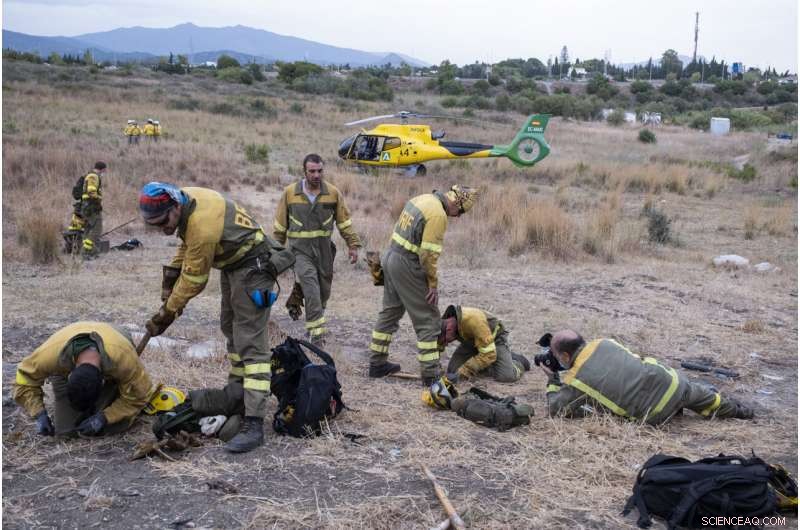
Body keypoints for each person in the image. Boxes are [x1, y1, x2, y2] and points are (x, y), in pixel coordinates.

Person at [139, 182, 283, 453]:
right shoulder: (187, 199)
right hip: (233, 265)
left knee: (251, 343)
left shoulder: (202, 226)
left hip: (253, 266)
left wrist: (168, 311)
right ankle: (238, 395)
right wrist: (170, 277)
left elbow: (195, 280)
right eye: (155, 226)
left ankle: (253, 422)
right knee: (230, 328)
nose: (163, 229)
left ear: (176, 207)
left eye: (163, 222)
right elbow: (186, 245)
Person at [367, 184, 478, 386]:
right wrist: (432, 284)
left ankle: (377, 364)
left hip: (391, 256)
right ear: (456, 202)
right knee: (428, 318)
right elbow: (428, 255)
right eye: (461, 211)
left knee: (389, 312)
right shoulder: (438, 215)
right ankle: (431, 374)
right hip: (406, 264)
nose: (459, 216)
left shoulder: (422, 199)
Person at [542, 330, 754, 424]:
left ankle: (682, 408)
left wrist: (553, 380)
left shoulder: (575, 381)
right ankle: (738, 410)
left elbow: (554, 409)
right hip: (673, 383)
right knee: (705, 398)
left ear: (566, 356)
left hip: (654, 415)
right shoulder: (604, 342)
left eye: (555, 354)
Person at [272, 154, 361, 345]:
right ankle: (316, 335)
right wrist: (275, 253)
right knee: (312, 288)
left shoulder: (333, 193)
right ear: (304, 172)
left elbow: (344, 223)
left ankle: (297, 295)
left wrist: (353, 245)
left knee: (323, 293)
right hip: (300, 251)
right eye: (312, 171)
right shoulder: (290, 194)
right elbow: (280, 228)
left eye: (320, 171)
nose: (316, 175)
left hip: (324, 251)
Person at [13, 322, 153, 437]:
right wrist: (39, 413)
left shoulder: (123, 360)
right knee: (66, 433)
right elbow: (24, 379)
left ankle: (111, 393)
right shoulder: (49, 357)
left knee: (111, 427)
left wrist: (105, 417)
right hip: (67, 344)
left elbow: (140, 396)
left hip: (116, 337)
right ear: (70, 375)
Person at [440, 305, 530, 383]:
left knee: (506, 376)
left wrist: (465, 370)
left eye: (447, 341)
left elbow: (489, 354)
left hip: (494, 340)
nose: (447, 344)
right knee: (452, 371)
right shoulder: (444, 323)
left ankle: (516, 361)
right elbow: (437, 344)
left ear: (449, 330)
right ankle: (495, 361)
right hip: (472, 341)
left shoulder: (474, 321)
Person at [79, 161, 107, 259]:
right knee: (96, 229)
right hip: (92, 207)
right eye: (105, 170)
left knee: (87, 229)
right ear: (102, 169)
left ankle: (90, 252)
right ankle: (86, 252)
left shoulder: (89, 175)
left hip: (87, 207)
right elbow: (91, 191)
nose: (105, 172)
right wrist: (97, 201)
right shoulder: (93, 176)